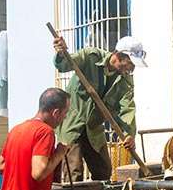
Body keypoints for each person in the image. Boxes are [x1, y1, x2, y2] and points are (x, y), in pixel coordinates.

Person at [52, 34, 144, 181]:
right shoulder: (90, 57)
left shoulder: (124, 82)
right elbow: (64, 65)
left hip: (93, 128)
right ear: (119, 56)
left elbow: (127, 109)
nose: (131, 69)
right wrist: (61, 52)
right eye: (129, 64)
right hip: (72, 124)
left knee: (104, 170)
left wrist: (129, 134)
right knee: (73, 171)